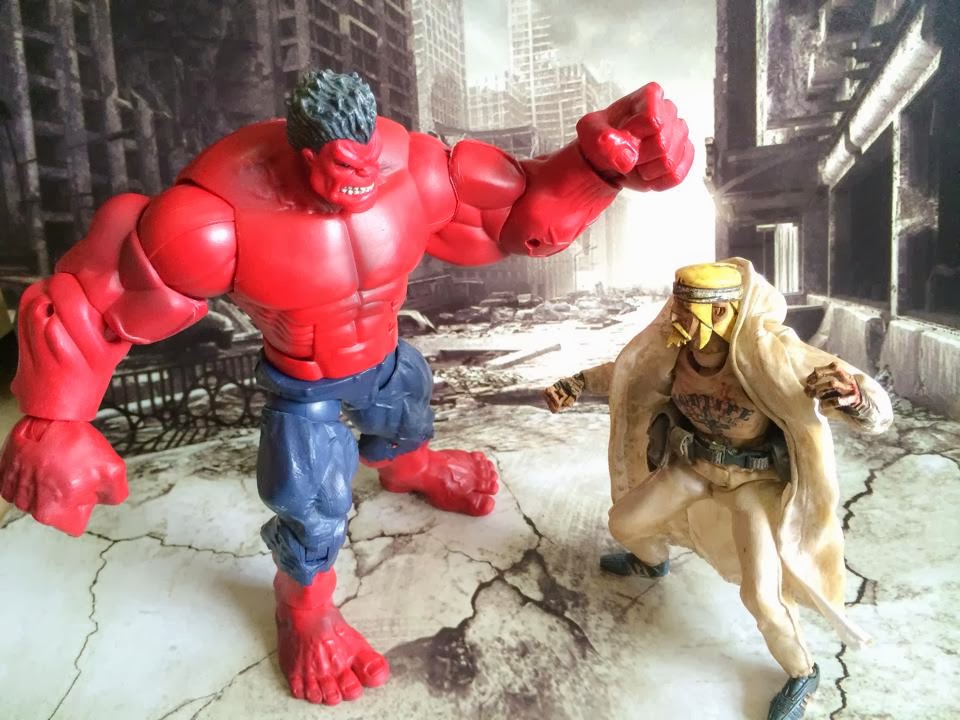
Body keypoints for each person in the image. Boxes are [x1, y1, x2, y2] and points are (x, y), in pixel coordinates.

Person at [0, 69, 693, 706]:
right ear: (305, 154)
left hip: (386, 360)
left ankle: (412, 470)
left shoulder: (412, 170)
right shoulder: (211, 220)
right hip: (304, 387)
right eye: (340, 165)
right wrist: (54, 423)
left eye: (367, 159)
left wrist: (599, 165)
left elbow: (517, 219)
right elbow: (93, 303)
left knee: (410, 406)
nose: (360, 176)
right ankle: (303, 613)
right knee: (311, 504)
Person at [544, 259, 893, 720]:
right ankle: (652, 563)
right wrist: (578, 383)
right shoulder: (670, 354)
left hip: (754, 484)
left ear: (725, 312)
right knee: (626, 522)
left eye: (690, 312)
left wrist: (852, 398)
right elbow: (628, 372)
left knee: (762, 597)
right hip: (694, 466)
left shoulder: (772, 355)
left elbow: (871, 408)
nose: (679, 320)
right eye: (679, 308)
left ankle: (803, 671)